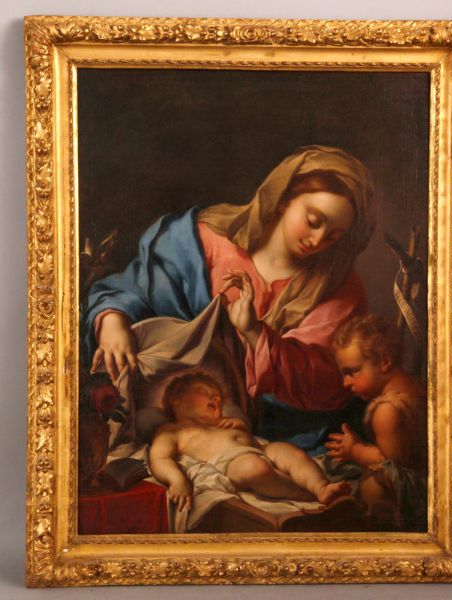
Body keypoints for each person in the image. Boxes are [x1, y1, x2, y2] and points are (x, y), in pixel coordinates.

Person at [82, 146, 376, 451]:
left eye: (334, 236)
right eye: (313, 220)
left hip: (269, 432)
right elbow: (133, 288)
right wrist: (112, 320)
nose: (317, 240)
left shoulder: (338, 287)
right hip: (164, 413)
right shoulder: (202, 242)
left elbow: (324, 380)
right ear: (283, 199)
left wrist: (253, 332)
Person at [149, 371, 350, 512]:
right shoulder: (172, 431)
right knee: (254, 469)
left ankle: (321, 487)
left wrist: (241, 427)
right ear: (176, 400)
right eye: (204, 392)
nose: (215, 399)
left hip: (262, 448)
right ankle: (304, 495)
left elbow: (249, 438)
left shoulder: (223, 423)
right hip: (230, 463)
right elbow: (160, 458)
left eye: (218, 399)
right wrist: (177, 480)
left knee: (289, 451)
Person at [326, 315, 427, 530]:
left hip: (411, 494)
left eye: (351, 372)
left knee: (372, 486)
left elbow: (391, 466)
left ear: (384, 362)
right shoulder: (415, 386)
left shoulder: (387, 410)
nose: (345, 383)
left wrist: (354, 450)